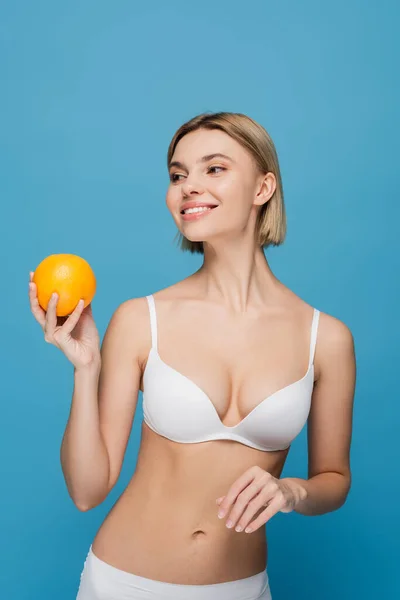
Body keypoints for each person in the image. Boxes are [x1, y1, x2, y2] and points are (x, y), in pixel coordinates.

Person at [28, 112, 356, 600]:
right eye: (178, 175)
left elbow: (334, 478)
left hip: (242, 588)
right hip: (123, 582)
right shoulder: (141, 318)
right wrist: (86, 369)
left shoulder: (325, 338)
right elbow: (86, 491)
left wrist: (293, 492)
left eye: (214, 169)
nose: (188, 186)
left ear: (263, 188)